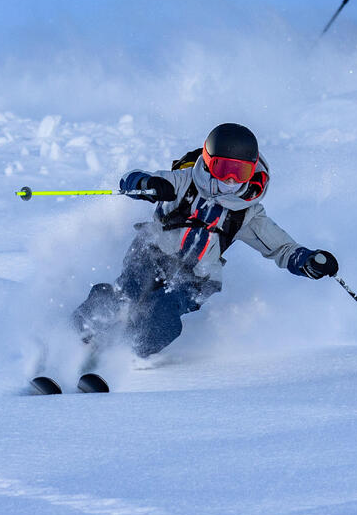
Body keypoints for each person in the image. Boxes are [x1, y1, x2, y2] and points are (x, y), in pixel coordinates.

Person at [73, 123, 339, 358]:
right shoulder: (184, 181)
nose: (231, 181)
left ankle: (124, 353)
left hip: (195, 277)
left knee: (161, 313)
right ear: (208, 162)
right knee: (126, 293)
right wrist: (148, 184)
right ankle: (77, 336)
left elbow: (281, 247)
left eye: (241, 172)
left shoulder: (247, 211)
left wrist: (306, 260)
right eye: (224, 169)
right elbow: (130, 181)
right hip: (151, 252)